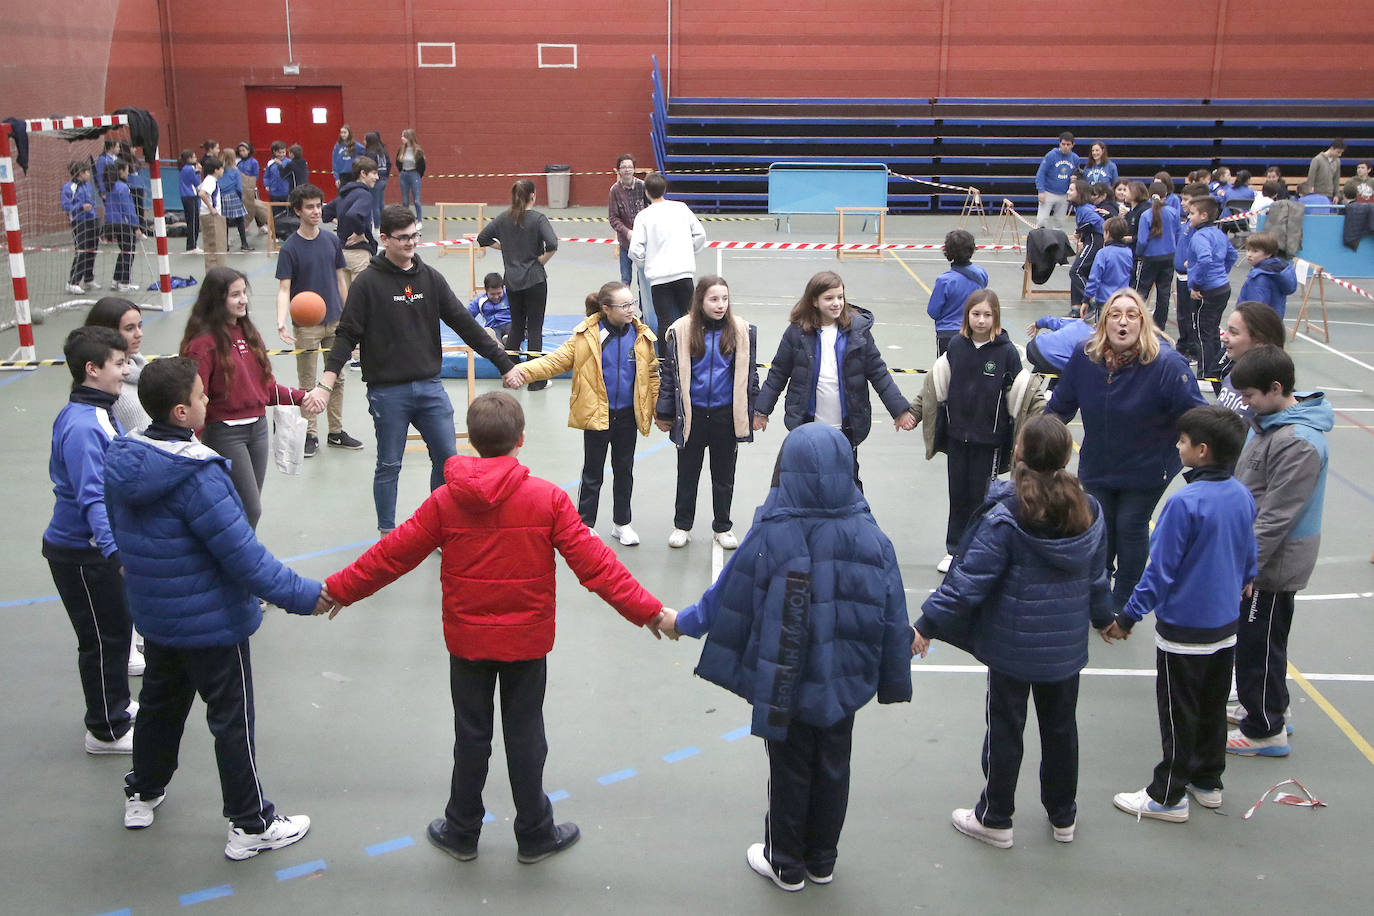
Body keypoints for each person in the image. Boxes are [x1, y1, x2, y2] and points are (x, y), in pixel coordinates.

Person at [322, 391, 675, 865]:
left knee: (471, 735)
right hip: (526, 643)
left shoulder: (445, 500)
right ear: (521, 440)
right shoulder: (547, 499)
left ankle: (461, 829)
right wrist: (649, 611)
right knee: (526, 734)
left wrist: (340, 589)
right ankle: (534, 833)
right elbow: (598, 567)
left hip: (467, 642)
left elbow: (392, 556)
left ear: (472, 440)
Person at [672, 422, 913, 891]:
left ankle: (785, 861)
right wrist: (894, 668)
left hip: (788, 680)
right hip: (845, 681)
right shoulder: (871, 536)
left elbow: (727, 594)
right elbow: (893, 608)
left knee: (789, 768)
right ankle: (822, 860)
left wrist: (682, 623)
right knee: (834, 766)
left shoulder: (772, 533)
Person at [105, 356, 329, 860]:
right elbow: (244, 558)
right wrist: (305, 595)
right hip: (213, 625)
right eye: (204, 396)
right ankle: (251, 824)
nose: (211, 400)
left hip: (158, 618)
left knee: (160, 707)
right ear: (183, 411)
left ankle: (143, 790)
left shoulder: (125, 460)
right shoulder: (198, 475)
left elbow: (119, 535)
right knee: (232, 720)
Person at [914, 414, 1110, 848]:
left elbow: (968, 582)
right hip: (1065, 650)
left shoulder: (1006, 515)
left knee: (1005, 729)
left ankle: (996, 817)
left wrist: (926, 623)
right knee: (1061, 730)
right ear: (1065, 455)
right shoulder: (1089, 509)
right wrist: (1104, 618)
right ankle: (1064, 816)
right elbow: (1098, 576)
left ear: (1017, 453)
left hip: (1013, 649)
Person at [318, 205, 519, 534]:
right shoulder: (367, 283)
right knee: (389, 464)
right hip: (387, 392)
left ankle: (439, 527)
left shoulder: (430, 278)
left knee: (447, 460)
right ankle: (387, 533)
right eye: (404, 237)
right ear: (384, 239)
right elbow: (346, 335)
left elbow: (466, 324)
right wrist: (326, 384)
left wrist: (504, 365)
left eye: (415, 236)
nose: (411, 243)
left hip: (430, 387)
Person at [1105, 406, 1257, 822]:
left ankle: (1167, 795)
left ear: (1202, 450)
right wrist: (1248, 576)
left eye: (1183, 441)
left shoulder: (1184, 503)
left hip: (1184, 631)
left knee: (1177, 711)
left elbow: (1159, 572)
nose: (1177, 445)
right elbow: (1250, 551)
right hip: (1225, 627)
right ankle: (1209, 781)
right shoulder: (1241, 494)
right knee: (1211, 708)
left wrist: (1128, 616)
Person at [1047, 289, 1207, 610]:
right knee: (1100, 524)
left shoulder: (1167, 364)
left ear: (1143, 323)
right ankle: (1099, 585)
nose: (1123, 322)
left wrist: (1205, 467)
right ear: (1104, 322)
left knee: (1131, 525)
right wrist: (1036, 441)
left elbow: (1199, 417)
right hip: (1099, 461)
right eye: (1115, 314)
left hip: (1148, 465)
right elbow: (1060, 406)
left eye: (1132, 315)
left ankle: (1124, 597)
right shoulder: (1084, 356)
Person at [1226, 346, 1331, 757]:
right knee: (1264, 641)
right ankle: (1273, 709)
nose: (1245, 404)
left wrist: (1245, 568)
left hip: (1272, 562)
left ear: (1275, 388)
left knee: (1258, 645)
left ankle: (1265, 729)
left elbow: (1276, 517)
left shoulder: (1300, 443)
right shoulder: (1267, 421)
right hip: (1259, 554)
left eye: (1250, 395)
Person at [507, 281, 658, 546]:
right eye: (624, 305)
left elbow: (652, 375)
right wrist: (524, 371)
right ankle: (585, 523)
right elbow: (555, 361)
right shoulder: (587, 336)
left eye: (632, 303)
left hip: (627, 417)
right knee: (593, 472)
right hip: (597, 414)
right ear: (606, 308)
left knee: (625, 471)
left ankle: (622, 524)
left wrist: (658, 410)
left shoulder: (642, 336)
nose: (631, 309)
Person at [43, 326, 135, 755]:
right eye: (118, 364)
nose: (125, 370)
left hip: (95, 549)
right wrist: (114, 550)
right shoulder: (83, 425)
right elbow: (92, 495)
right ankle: (105, 729)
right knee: (102, 638)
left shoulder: (95, 412)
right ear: (92, 369)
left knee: (116, 630)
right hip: (82, 553)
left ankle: (114, 704)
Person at [909, 289, 1044, 572]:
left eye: (987, 315)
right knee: (958, 494)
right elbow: (933, 386)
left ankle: (978, 548)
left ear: (996, 317)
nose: (981, 320)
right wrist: (914, 413)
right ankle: (954, 548)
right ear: (967, 316)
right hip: (957, 437)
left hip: (990, 440)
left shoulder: (1006, 353)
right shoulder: (956, 347)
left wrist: (1042, 422)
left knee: (982, 498)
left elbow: (1023, 392)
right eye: (976, 314)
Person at [181, 267, 325, 529]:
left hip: (257, 430)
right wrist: (193, 441)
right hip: (225, 433)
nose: (243, 300)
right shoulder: (202, 346)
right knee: (250, 509)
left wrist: (302, 397)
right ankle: (238, 563)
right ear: (217, 298)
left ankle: (239, 561)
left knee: (246, 507)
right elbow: (194, 397)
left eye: (244, 293)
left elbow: (265, 388)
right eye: (235, 294)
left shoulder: (248, 334)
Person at [754, 271, 915, 482]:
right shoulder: (796, 333)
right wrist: (761, 410)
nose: (836, 303)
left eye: (840, 297)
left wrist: (900, 410)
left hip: (847, 427)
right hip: (807, 426)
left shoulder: (859, 332)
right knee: (808, 482)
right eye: (829, 298)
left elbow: (878, 373)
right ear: (814, 301)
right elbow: (778, 374)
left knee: (848, 482)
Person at [655, 275, 758, 550]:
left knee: (724, 476)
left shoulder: (740, 330)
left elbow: (750, 375)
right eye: (714, 299)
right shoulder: (682, 330)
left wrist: (755, 410)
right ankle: (682, 525)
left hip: (725, 417)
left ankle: (722, 527)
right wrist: (664, 412)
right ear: (700, 300)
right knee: (687, 473)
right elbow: (670, 376)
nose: (721, 304)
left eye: (725, 298)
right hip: (693, 416)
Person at [275, 183, 358, 459]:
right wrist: (281, 321)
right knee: (308, 381)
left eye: (318, 206)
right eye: (309, 207)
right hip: (307, 326)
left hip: (335, 321)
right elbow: (284, 289)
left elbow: (340, 279)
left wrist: (349, 315)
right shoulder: (290, 248)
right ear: (298, 211)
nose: (316, 211)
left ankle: (335, 431)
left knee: (337, 377)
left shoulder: (331, 241)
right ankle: (310, 433)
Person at [477, 179, 559, 389]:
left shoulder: (504, 218)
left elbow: (482, 238)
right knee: (534, 329)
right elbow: (552, 243)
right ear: (533, 196)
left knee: (516, 327)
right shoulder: (538, 219)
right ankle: (536, 380)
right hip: (535, 280)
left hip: (512, 282)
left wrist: (504, 248)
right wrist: (542, 259)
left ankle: (510, 373)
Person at [629, 172, 707, 354]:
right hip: (684, 273)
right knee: (690, 317)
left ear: (646, 192)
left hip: (658, 278)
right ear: (665, 189)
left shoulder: (643, 216)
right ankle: (694, 355)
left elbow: (635, 249)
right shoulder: (681, 208)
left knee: (665, 321)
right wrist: (689, 252)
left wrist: (645, 263)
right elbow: (700, 235)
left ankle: (666, 363)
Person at [1185, 197, 1240, 385]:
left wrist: (1198, 285)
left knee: (1202, 333)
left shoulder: (1199, 237)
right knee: (1213, 331)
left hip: (1207, 291)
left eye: (1192, 213)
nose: (1188, 216)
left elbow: (1205, 259)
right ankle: (1215, 369)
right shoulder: (1218, 233)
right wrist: (1222, 273)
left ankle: (1206, 374)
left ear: (1204, 215)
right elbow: (1232, 255)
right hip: (1222, 287)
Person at [84, 297, 151, 434]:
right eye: (129, 328)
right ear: (108, 333)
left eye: (140, 326)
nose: (139, 334)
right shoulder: (111, 390)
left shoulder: (142, 367)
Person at [1216, 302, 1287, 420]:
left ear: (1259, 341)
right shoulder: (1234, 374)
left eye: (1233, 332)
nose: (1223, 338)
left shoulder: (1270, 392)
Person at [926, 229, 988, 355]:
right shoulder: (981, 273)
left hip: (948, 334)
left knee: (946, 371)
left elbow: (933, 311)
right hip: (974, 331)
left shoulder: (945, 281)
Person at [322, 157, 379, 284]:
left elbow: (325, 213)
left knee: (345, 298)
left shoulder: (344, 194)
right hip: (359, 254)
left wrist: (340, 221)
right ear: (363, 173)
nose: (377, 177)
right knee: (360, 298)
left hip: (342, 253)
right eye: (374, 173)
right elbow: (354, 214)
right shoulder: (365, 195)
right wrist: (359, 232)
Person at [1135, 181, 1181, 329]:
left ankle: (1136, 319)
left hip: (1150, 256)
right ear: (1166, 196)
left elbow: (1142, 240)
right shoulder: (1173, 212)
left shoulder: (1146, 215)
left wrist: (1138, 254)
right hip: (1169, 255)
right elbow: (1178, 233)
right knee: (1164, 292)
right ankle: (1160, 324)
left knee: (1142, 290)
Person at [608, 153, 649, 286]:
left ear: (634, 169)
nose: (627, 170)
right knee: (625, 279)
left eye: (629, 167)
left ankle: (644, 306)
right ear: (618, 170)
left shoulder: (642, 186)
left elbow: (651, 209)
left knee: (643, 278)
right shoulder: (614, 190)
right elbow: (613, 218)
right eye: (623, 167)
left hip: (644, 242)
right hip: (625, 243)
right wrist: (627, 232)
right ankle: (624, 305)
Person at [1238, 232, 1298, 319]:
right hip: (1273, 323)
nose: (1249, 254)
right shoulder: (1278, 271)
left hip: (1255, 325)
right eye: (1248, 250)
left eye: (1255, 251)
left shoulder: (1259, 277)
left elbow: (1255, 309)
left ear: (1268, 254)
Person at [1067, 180, 1105, 318]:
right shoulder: (1079, 208)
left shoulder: (1086, 208)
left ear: (1080, 193)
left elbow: (1095, 221)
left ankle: (1092, 298)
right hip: (1089, 240)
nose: (1068, 192)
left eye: (1071, 190)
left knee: (1076, 271)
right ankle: (1077, 308)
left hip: (1095, 241)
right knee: (1081, 271)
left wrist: (1079, 230)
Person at [62, 161, 100, 294]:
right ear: (80, 174)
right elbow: (66, 206)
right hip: (79, 222)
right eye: (87, 172)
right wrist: (81, 207)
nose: (89, 174)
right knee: (81, 251)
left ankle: (88, 278)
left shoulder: (88, 187)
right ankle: (73, 282)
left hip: (92, 220)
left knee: (92, 250)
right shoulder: (69, 187)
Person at [1084, 216, 1133, 316]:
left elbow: (1095, 277)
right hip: (1122, 298)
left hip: (1104, 299)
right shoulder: (1128, 252)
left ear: (1108, 233)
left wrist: (1086, 298)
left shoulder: (1103, 253)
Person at [104, 160, 141, 292]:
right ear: (120, 171)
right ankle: (125, 282)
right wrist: (135, 225)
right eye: (126, 169)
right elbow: (128, 208)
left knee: (123, 250)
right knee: (128, 251)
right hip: (123, 223)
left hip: (112, 222)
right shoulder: (122, 187)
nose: (128, 172)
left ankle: (116, 279)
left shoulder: (110, 186)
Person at [1035, 132, 1081, 231]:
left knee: (1060, 222)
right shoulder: (1051, 155)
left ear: (1073, 145)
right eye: (1063, 144)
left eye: (1068, 145)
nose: (1065, 147)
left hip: (1064, 194)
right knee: (1042, 220)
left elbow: (1076, 175)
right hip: (1048, 192)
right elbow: (1041, 173)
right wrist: (1041, 191)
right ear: (1059, 144)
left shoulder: (1075, 159)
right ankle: (1041, 240)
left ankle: (1056, 243)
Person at [1024, 313, 1093, 379]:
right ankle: (1051, 389)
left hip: (1034, 348)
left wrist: (1037, 324)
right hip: (1056, 362)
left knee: (1047, 356)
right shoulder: (1098, 338)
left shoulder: (1078, 322)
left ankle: (1031, 382)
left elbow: (1052, 321)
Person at [217, 146, 252, 252]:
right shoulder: (235, 171)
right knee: (240, 221)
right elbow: (239, 187)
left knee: (225, 222)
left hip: (222, 196)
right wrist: (241, 198)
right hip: (233, 196)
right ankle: (244, 244)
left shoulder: (220, 170)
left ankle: (225, 245)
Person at [197, 155, 227, 272]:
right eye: (221, 168)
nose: (223, 171)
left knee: (213, 246)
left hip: (209, 215)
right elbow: (202, 193)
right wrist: (211, 209)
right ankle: (215, 272)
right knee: (215, 246)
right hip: (211, 217)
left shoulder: (210, 180)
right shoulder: (210, 181)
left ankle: (215, 271)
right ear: (216, 170)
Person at [466, 271, 512, 342]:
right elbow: (467, 316)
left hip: (509, 323)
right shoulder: (480, 301)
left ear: (503, 288)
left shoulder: (510, 295)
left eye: (499, 293)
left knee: (514, 330)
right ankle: (498, 345)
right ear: (486, 291)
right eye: (492, 294)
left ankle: (511, 341)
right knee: (490, 333)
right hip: (493, 327)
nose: (496, 297)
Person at [234, 141, 268, 236]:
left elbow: (255, 175)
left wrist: (249, 184)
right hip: (240, 189)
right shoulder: (238, 162)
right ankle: (245, 225)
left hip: (251, 188)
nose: (242, 152)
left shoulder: (254, 162)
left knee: (255, 206)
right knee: (243, 207)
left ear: (248, 151)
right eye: (240, 151)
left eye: (244, 150)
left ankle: (261, 225)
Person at [397, 128, 426, 219]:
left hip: (414, 174)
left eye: (404, 137)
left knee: (416, 200)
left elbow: (422, 165)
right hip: (404, 174)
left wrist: (418, 175)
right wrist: (401, 171)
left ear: (410, 138)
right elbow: (398, 162)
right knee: (405, 201)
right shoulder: (401, 149)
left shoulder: (417, 150)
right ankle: (406, 219)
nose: (402, 138)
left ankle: (419, 220)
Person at [364, 130, 391, 224]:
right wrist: (386, 175)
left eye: (365, 140)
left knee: (374, 204)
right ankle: (383, 223)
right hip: (383, 178)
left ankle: (377, 226)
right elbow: (389, 164)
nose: (364, 141)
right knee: (381, 204)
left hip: (375, 180)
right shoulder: (383, 151)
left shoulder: (371, 153)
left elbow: (369, 166)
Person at [177, 150, 201, 252]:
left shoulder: (182, 168)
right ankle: (192, 246)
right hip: (190, 196)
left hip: (185, 196)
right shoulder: (190, 168)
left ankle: (191, 244)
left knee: (190, 221)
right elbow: (196, 182)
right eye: (194, 157)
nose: (196, 159)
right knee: (194, 222)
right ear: (189, 159)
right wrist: (198, 171)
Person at [264, 141, 291, 223]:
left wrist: (280, 165)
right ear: (274, 152)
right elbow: (266, 176)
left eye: (284, 152)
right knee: (275, 212)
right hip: (274, 192)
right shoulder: (270, 163)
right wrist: (267, 185)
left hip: (286, 191)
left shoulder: (289, 162)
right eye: (279, 152)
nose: (282, 154)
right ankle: (276, 228)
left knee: (288, 212)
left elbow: (289, 173)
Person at [331, 124, 358, 189]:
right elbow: (334, 163)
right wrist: (337, 178)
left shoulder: (355, 145)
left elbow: (365, 153)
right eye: (341, 132)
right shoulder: (337, 146)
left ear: (349, 133)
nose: (343, 134)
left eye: (345, 132)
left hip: (353, 174)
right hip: (342, 175)